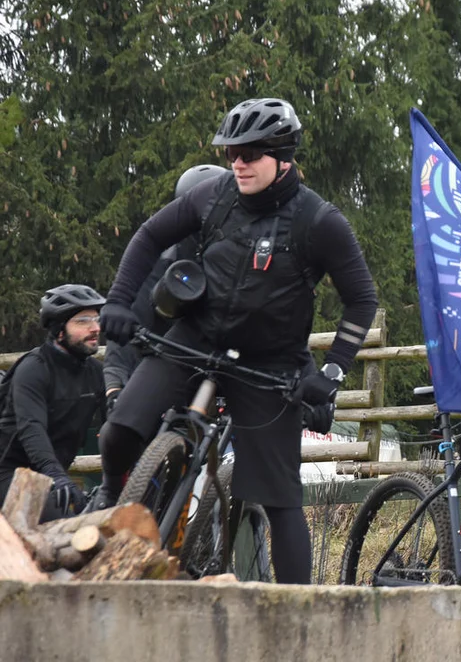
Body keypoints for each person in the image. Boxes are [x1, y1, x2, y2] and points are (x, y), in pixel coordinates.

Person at [96, 98, 379, 584]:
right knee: (119, 432)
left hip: (269, 365)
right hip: (195, 339)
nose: (239, 163)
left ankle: (298, 616)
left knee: (282, 500)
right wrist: (118, 303)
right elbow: (147, 237)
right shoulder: (212, 195)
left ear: (283, 155)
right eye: (232, 154)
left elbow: (361, 299)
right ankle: (109, 495)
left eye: (250, 153)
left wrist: (329, 374)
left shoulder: (319, 220)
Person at [102, 164, 227, 412]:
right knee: (123, 431)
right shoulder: (162, 262)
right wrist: (115, 387)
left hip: (233, 361)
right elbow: (129, 321)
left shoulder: (247, 254)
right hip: (171, 361)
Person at [0, 284, 107, 522]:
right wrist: (56, 476)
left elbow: (113, 422)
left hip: (52, 476)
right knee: (58, 525)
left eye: (96, 320)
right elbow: (31, 428)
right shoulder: (34, 368)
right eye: (83, 321)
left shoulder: (96, 372)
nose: (95, 328)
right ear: (59, 330)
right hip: (11, 473)